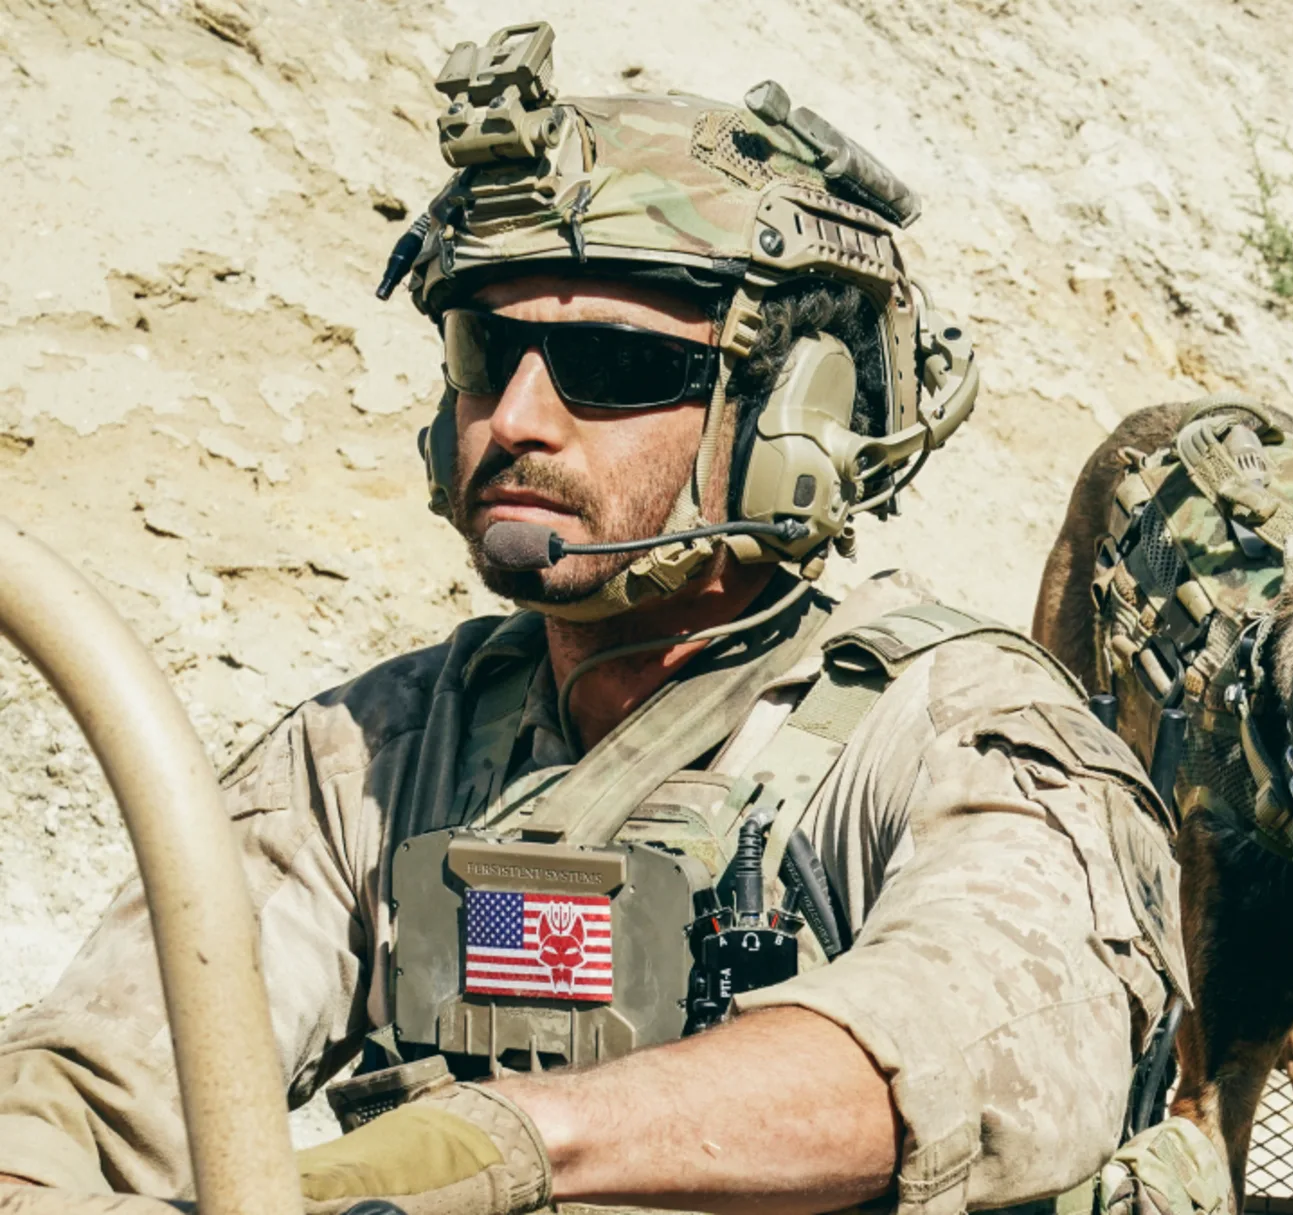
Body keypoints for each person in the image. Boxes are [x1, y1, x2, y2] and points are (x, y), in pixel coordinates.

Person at [0, 23, 1210, 1215]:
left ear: (793, 423)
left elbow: (982, 1048)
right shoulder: (375, 754)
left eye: (613, 368)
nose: (517, 418)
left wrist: (503, 1143)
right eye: (487, 349)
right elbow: (99, 1088)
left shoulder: (961, 732)